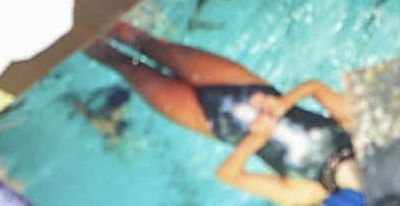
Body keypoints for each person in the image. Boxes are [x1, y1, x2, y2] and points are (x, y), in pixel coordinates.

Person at [86, 31, 364, 206]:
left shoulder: (307, 193)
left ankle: (77, 37)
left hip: (213, 121)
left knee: (123, 65)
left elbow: (227, 175)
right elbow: (315, 87)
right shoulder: (354, 133)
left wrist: (255, 140)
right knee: (144, 42)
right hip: (247, 87)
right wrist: (282, 104)